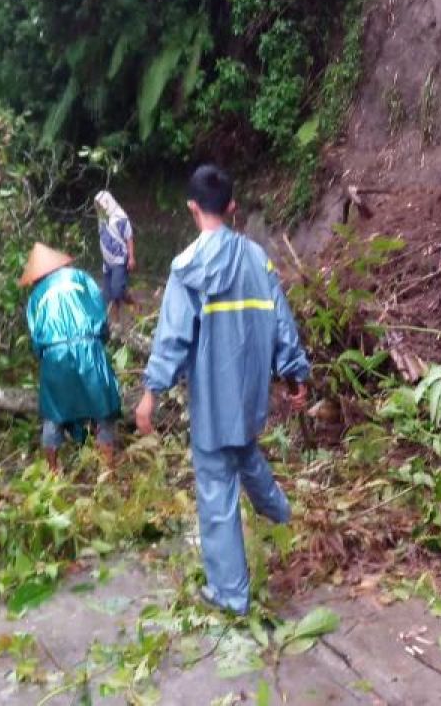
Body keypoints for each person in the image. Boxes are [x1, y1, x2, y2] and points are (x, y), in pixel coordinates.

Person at [134, 164, 310, 616]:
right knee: (245, 452)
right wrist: (294, 372)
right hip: (250, 396)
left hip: (214, 400)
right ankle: (284, 516)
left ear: (192, 207)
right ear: (232, 207)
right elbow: (281, 320)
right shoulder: (258, 259)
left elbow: (173, 338)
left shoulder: (187, 268)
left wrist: (151, 392)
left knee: (216, 493)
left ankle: (230, 593)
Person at [21, 242, 122, 471]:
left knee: (53, 413)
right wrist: (99, 340)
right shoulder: (81, 278)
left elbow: (36, 337)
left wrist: (45, 358)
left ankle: (53, 473)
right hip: (88, 347)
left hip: (54, 355)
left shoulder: (36, 297)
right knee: (103, 409)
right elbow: (99, 312)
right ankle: (107, 471)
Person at [94, 191, 136, 318]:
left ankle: (118, 314)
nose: (99, 208)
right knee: (106, 295)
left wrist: (131, 257)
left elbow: (129, 238)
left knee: (116, 291)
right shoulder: (102, 218)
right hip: (107, 262)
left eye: (100, 205)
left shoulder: (120, 218)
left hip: (119, 259)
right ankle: (129, 304)